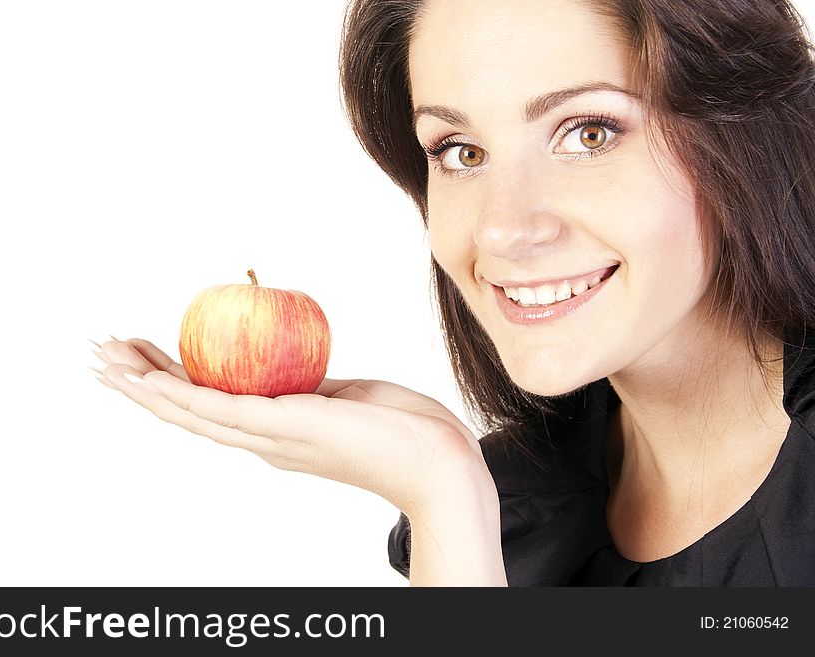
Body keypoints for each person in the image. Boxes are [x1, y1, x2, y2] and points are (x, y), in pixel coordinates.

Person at [91, 0, 815, 586]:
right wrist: (441, 492)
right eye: (460, 152)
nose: (502, 229)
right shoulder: (513, 506)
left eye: (589, 133)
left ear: (742, 137)